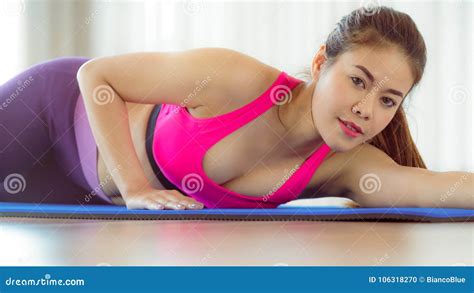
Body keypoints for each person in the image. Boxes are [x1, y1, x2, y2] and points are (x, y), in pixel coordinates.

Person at [1, 6, 472, 210]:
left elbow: (437, 187)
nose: (367, 109)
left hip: (77, 194)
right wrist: (137, 187)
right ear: (320, 64)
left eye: (388, 100)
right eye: (357, 81)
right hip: (49, 116)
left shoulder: (348, 166)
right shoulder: (238, 81)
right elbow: (95, 77)